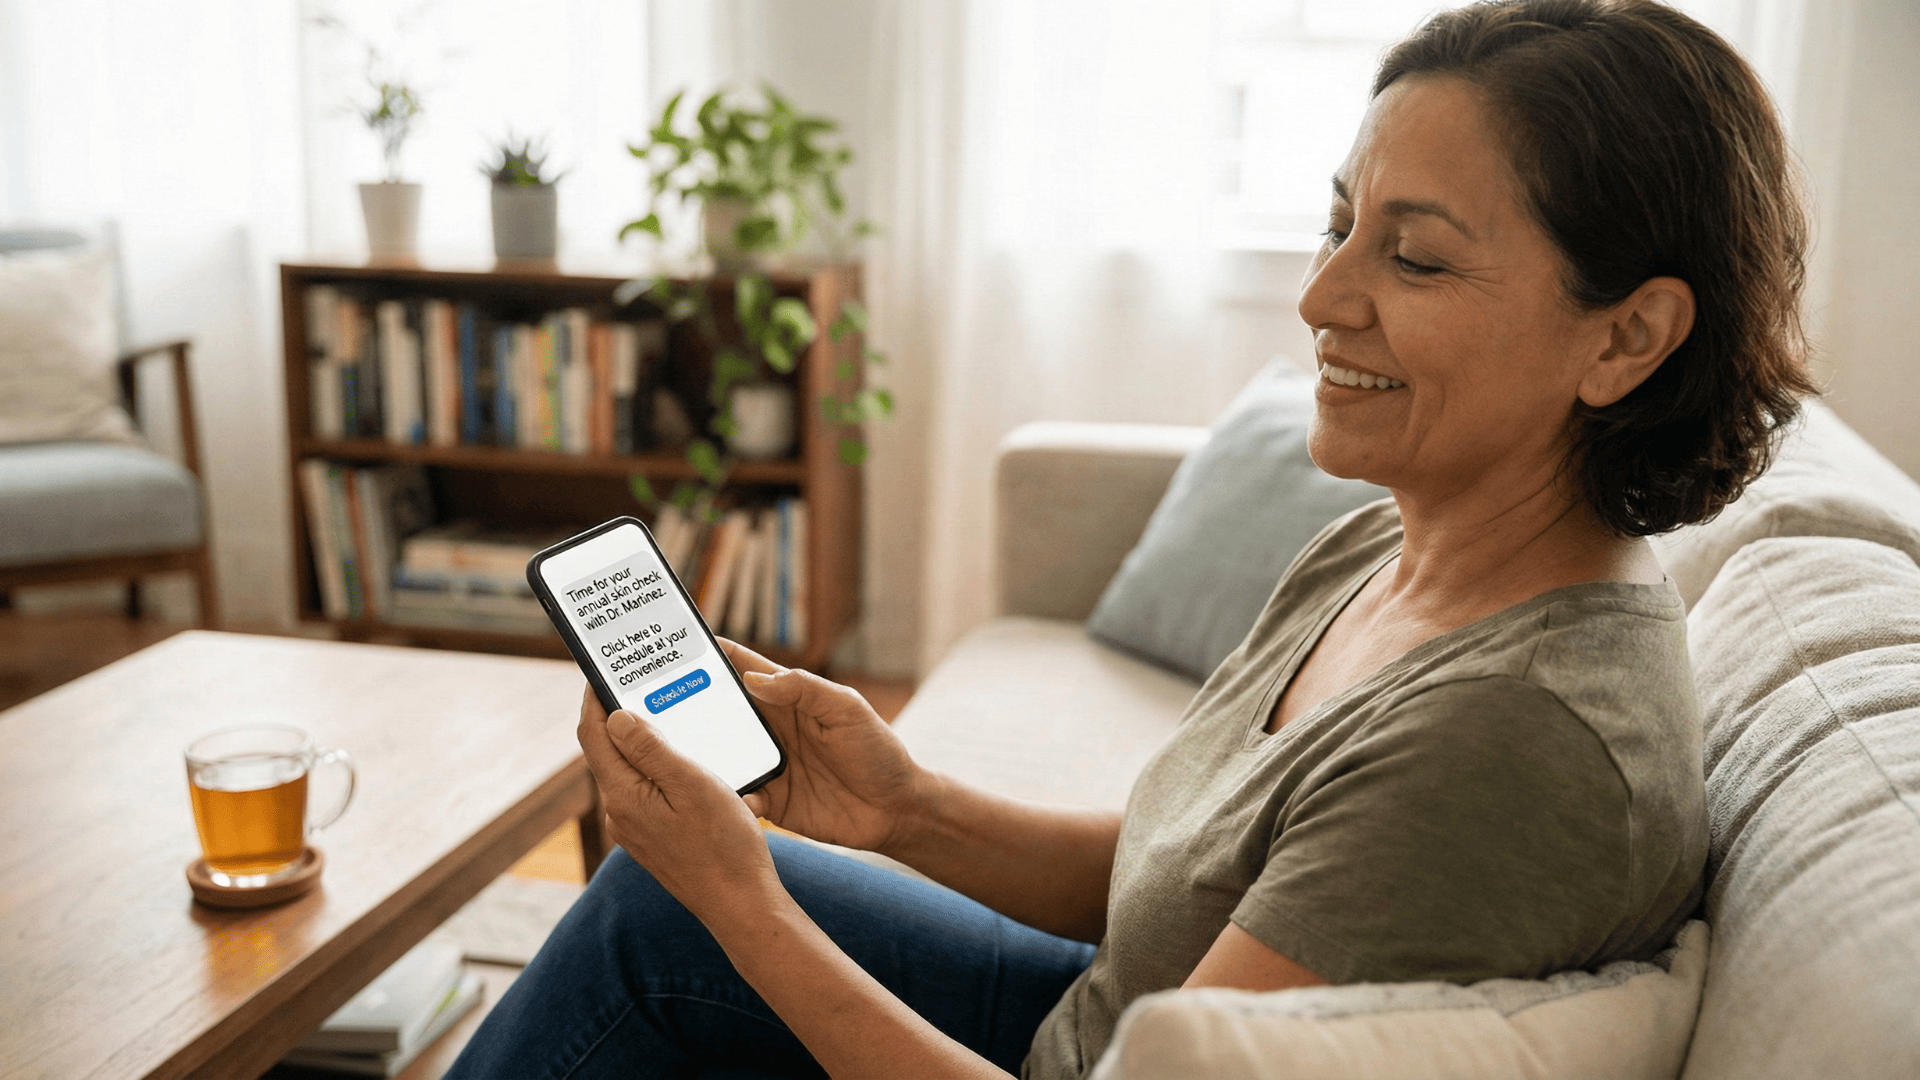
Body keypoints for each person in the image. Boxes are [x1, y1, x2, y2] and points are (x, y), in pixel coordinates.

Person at [449, 2, 1816, 1076]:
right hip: (1095, 1010)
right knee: (652, 916)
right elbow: (1204, 876)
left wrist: (745, 903)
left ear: (1626, 336)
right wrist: (904, 809)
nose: (1321, 294)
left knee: (681, 912)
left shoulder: (1520, 743)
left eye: (1415, 256)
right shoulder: (1383, 548)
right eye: (1340, 222)